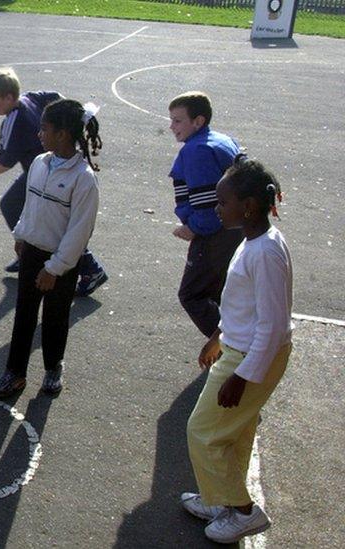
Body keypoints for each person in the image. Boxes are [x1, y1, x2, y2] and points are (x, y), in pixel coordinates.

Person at [181, 158, 292, 544]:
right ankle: (221, 499)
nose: (217, 208)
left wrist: (242, 377)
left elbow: (273, 325)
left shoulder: (265, 253)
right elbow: (244, 308)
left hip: (249, 359)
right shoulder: (255, 241)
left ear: (247, 206)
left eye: (222, 202)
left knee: (202, 431)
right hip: (239, 349)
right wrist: (218, 334)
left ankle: (243, 511)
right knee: (236, 433)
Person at [0, 99, 102, 399]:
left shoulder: (83, 179)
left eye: (45, 128)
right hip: (32, 252)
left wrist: (55, 268)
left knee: (55, 317)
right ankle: (15, 374)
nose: (40, 134)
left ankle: (53, 367)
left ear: (63, 134)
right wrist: (21, 234)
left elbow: (79, 232)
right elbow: (30, 205)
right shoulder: (40, 163)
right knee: (24, 314)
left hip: (60, 261)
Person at [0, 67, 107, 297]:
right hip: (47, 168)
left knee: (46, 220)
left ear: (9, 98)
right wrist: (71, 119)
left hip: (43, 173)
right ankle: (29, 250)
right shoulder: (31, 97)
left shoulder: (14, 122)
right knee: (20, 208)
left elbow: (5, 162)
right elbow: (54, 97)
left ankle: (87, 267)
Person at [167, 91, 243, 337]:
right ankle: (240, 340)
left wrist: (194, 228)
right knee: (221, 290)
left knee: (192, 294)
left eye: (178, 121)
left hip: (215, 236)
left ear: (198, 121)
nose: (172, 127)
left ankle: (230, 347)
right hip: (236, 230)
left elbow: (208, 204)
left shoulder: (196, 151)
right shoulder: (221, 140)